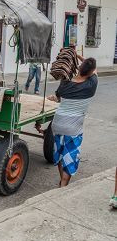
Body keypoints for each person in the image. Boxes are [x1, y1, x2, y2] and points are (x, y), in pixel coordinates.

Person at [47, 55, 98, 187]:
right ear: (91, 72)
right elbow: (93, 69)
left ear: (79, 68)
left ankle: (61, 181)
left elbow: (57, 98)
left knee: (59, 153)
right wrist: (80, 57)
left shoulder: (65, 82)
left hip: (57, 123)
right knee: (69, 157)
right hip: (73, 128)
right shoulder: (91, 84)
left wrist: (73, 55)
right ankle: (63, 185)